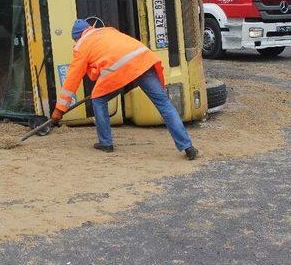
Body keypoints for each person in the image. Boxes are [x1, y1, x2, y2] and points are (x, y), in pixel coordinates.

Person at [51, 19, 198, 160]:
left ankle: (106, 143)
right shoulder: (107, 31)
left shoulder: (81, 46)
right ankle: (188, 147)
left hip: (121, 69)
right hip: (143, 60)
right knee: (164, 104)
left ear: (77, 37)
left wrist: (60, 109)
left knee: (98, 100)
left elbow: (72, 79)